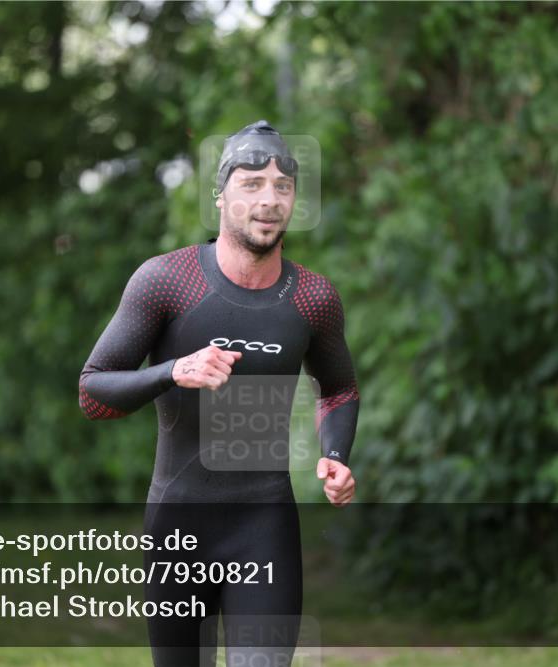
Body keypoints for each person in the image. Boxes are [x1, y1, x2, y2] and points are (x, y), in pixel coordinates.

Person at [79, 120, 359, 666]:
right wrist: (172, 371)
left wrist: (335, 456)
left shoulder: (312, 299)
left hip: (264, 526)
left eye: (282, 185)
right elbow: (92, 393)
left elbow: (340, 388)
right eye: (252, 183)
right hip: (177, 528)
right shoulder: (167, 281)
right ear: (221, 196)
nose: (269, 199)